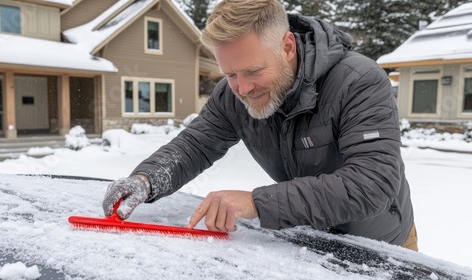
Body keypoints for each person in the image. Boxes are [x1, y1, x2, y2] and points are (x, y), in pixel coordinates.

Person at [102, 0, 418, 251]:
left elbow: (373, 182)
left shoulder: (358, 81)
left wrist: (257, 202)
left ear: (288, 47)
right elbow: (196, 145)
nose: (242, 88)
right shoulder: (234, 96)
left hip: (381, 249)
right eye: (230, 74)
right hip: (309, 245)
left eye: (252, 70)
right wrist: (147, 179)